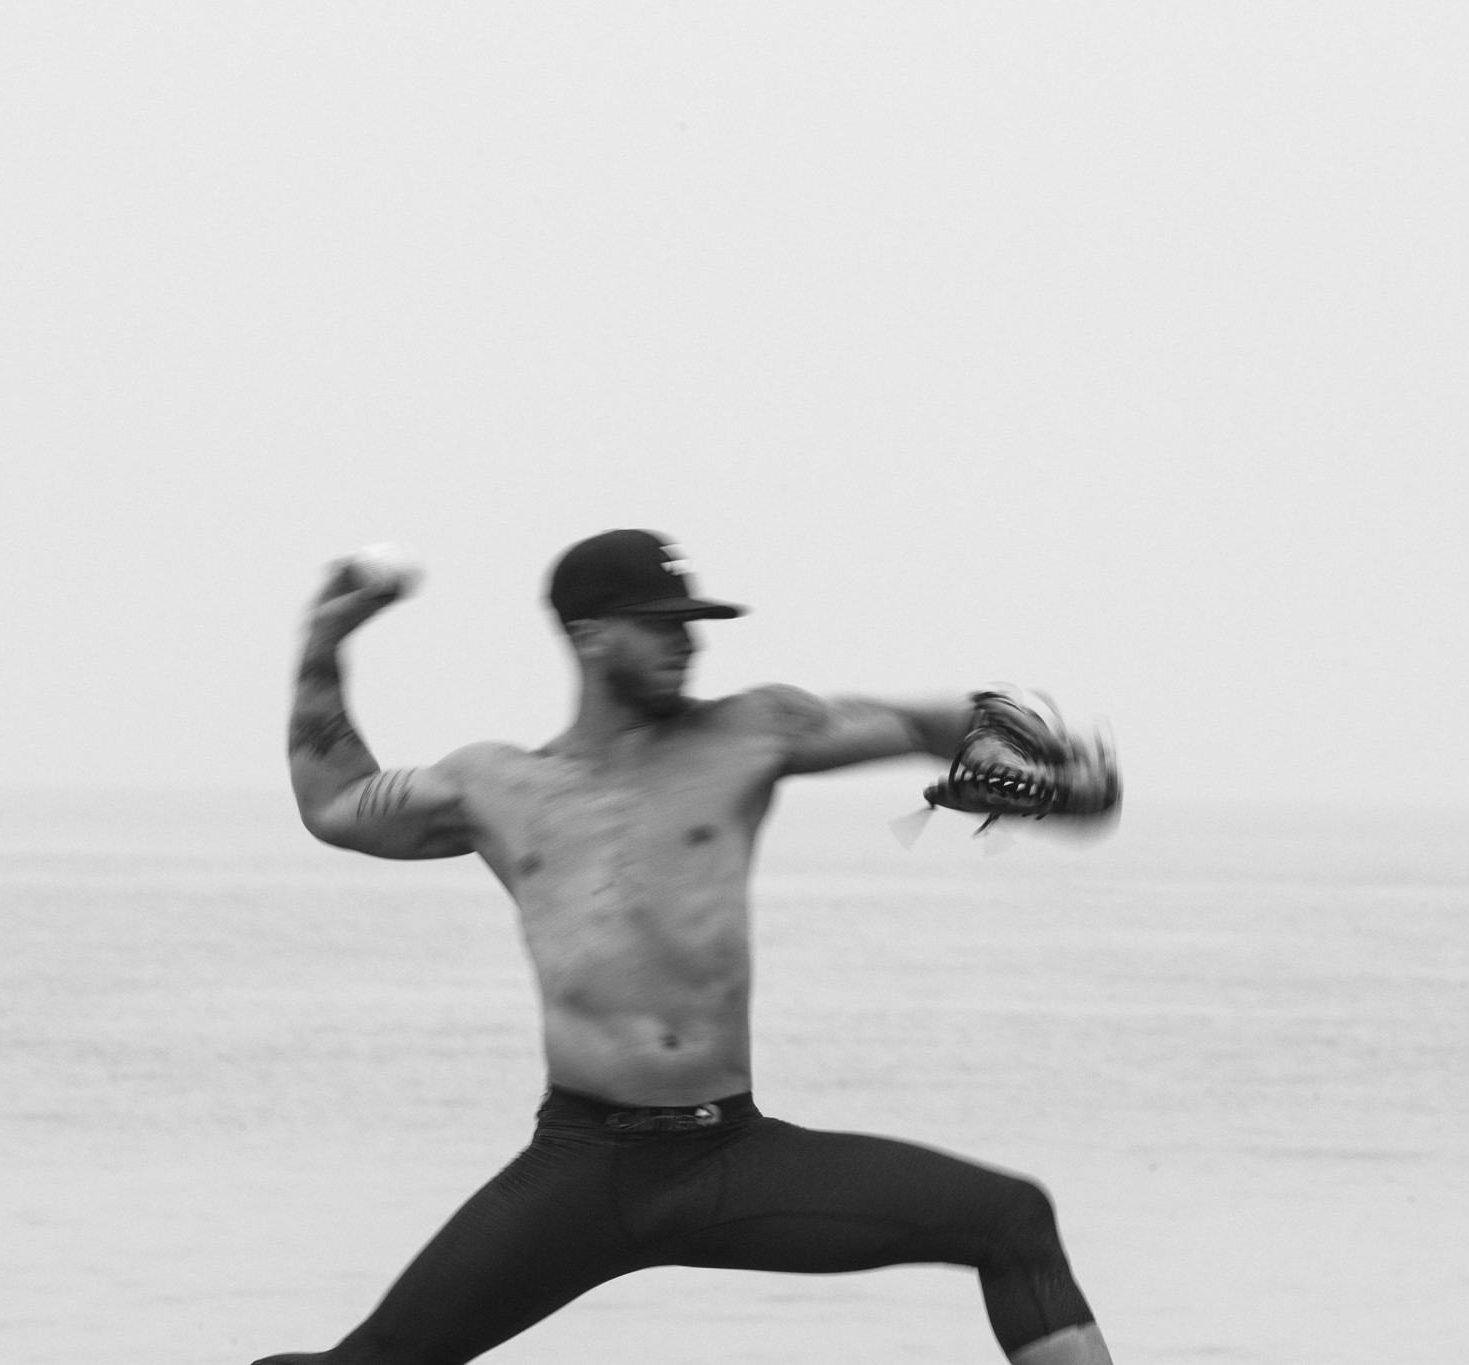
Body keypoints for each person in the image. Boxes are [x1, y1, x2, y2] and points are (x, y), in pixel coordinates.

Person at [255, 529, 1119, 1365]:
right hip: (581, 1166)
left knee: (1011, 1218)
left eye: (694, 623)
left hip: (728, 1157)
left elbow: (917, 721)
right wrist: (326, 640)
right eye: (661, 624)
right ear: (590, 634)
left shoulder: (752, 731)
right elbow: (336, 803)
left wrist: (1040, 756)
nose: (689, 643)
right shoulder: (495, 784)